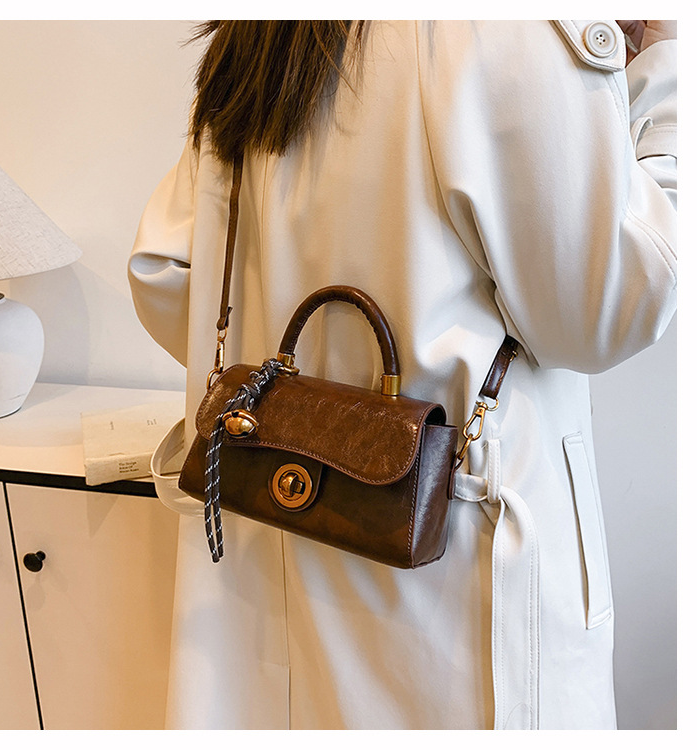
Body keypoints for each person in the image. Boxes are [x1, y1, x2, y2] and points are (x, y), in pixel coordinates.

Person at [128, 20, 676, 730]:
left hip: (268, 548)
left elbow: (167, 276)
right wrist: (663, 75)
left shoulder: (261, 33)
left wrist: (305, 391)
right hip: (450, 594)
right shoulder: (503, 28)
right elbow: (612, 308)